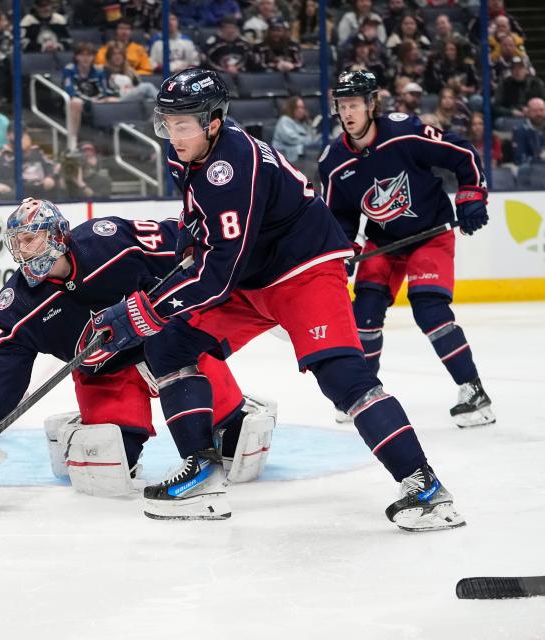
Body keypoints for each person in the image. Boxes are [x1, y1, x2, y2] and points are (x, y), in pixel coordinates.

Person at [92, 67, 466, 530]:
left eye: (183, 123)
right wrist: (185, 249)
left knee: (343, 376)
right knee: (168, 348)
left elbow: (218, 272)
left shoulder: (233, 166)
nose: (172, 133)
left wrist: (142, 311)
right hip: (251, 276)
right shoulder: (183, 152)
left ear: (213, 122)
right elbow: (202, 226)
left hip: (301, 268)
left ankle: (425, 487)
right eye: (166, 122)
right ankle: (203, 474)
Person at [0, 194, 273, 502]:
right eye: (17, 243)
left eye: (32, 239)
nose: (24, 252)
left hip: (172, 350)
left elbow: (182, 243)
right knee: (106, 466)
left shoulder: (108, 241)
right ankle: (79, 425)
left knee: (239, 449)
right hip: (105, 374)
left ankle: (239, 410)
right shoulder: (19, 302)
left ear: (58, 234)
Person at [318, 70, 494, 430]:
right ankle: (364, 393)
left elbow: (462, 153)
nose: (348, 112)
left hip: (431, 234)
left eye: (354, 104)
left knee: (429, 309)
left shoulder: (405, 132)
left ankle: (473, 390)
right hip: (384, 242)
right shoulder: (333, 162)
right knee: (363, 313)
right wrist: (344, 250)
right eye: (342, 105)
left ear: (371, 104)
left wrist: (472, 193)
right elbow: (341, 216)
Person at [272, 95, 321, 162]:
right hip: (285, 159)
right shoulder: (284, 120)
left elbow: (312, 137)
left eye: (302, 108)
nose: (301, 110)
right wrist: (310, 141)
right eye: (298, 107)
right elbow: (292, 139)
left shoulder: (304, 123)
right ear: (291, 108)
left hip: (301, 157)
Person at [512, 97, 545, 166]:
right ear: (528, 112)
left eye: (541, 110)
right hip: (531, 171)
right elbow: (520, 158)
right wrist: (539, 158)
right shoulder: (519, 130)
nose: (539, 114)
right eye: (535, 111)